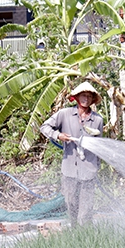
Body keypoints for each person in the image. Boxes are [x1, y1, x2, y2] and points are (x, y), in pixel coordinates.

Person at [40, 82, 104, 227]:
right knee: (71, 205)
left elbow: (98, 146)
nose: (86, 99)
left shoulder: (97, 120)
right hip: (69, 170)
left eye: (89, 96)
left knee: (85, 212)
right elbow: (44, 127)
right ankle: (75, 233)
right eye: (83, 95)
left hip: (88, 171)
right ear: (76, 97)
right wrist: (58, 135)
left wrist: (97, 167)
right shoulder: (65, 114)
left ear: (93, 100)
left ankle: (85, 237)